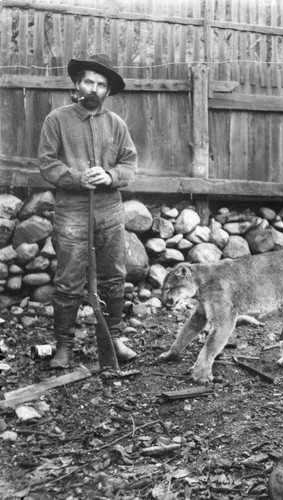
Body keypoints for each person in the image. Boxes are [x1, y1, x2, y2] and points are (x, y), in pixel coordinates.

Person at [38, 54, 138, 369]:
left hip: (109, 207)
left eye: (101, 84)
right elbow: (47, 163)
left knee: (114, 275)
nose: (94, 89)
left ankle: (114, 339)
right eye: (89, 82)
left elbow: (129, 163)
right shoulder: (57, 119)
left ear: (108, 90)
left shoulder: (116, 124)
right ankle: (64, 346)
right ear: (78, 84)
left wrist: (111, 176)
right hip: (71, 207)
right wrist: (77, 178)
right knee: (68, 279)